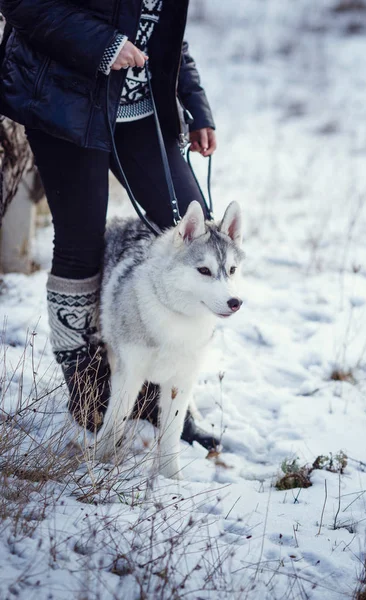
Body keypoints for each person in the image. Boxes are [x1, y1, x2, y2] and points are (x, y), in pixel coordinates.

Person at [0, 0, 219, 449]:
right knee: (81, 242)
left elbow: (164, 28)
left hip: (140, 110)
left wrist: (195, 104)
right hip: (66, 101)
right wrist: (104, 44)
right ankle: (89, 386)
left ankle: (167, 394)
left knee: (189, 228)